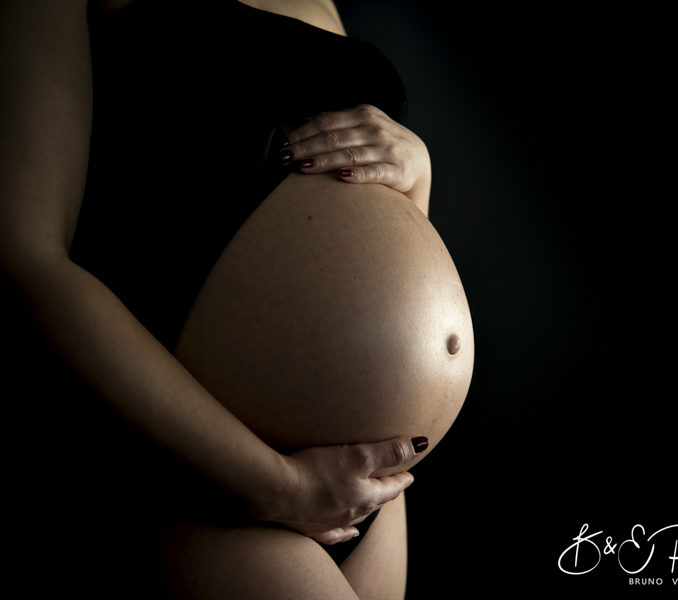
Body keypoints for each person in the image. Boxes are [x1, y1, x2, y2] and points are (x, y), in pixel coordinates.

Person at [0, 1, 474, 598]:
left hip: (367, 478)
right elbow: (27, 260)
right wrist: (279, 486)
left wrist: (417, 170)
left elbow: (354, 212)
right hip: (215, 471)